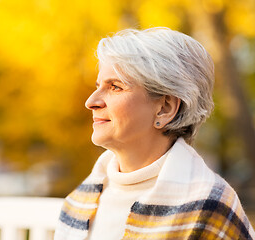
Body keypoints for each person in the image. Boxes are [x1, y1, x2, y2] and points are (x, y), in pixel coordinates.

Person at [54, 27, 255, 240]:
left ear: (165, 108)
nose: (91, 102)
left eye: (115, 87)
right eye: (98, 86)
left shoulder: (209, 207)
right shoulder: (78, 202)